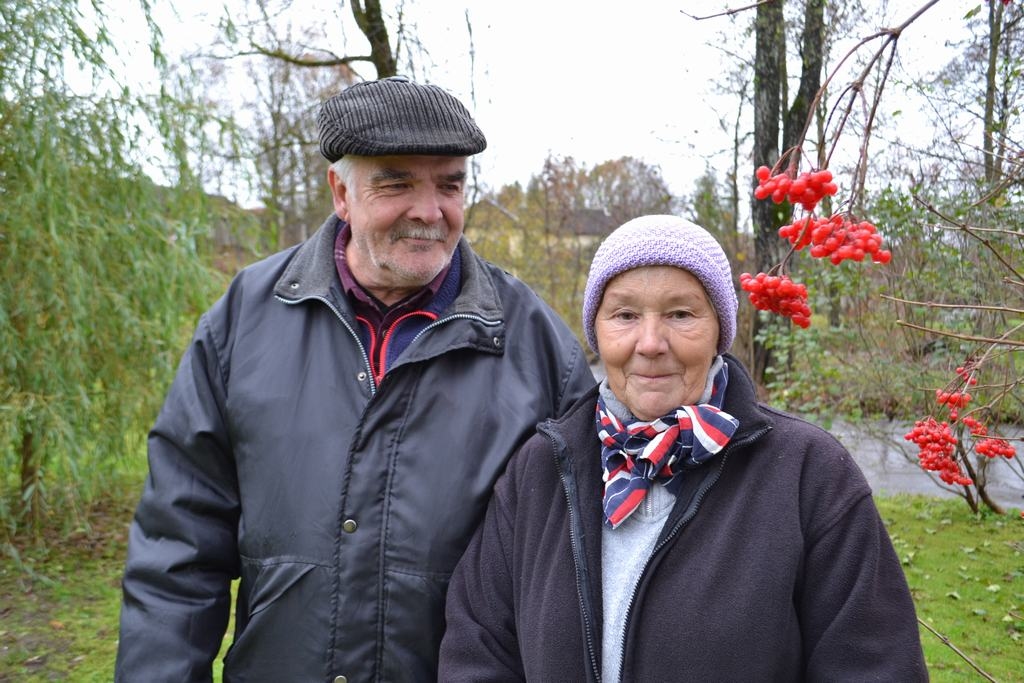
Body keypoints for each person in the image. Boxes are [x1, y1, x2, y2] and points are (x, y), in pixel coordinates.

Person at [114, 76, 595, 682]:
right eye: (397, 183)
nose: (429, 211)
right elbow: (177, 550)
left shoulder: (535, 346)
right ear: (341, 191)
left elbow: (574, 573)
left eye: (450, 185)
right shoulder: (245, 320)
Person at [439, 214, 928, 681]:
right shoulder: (540, 471)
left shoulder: (809, 474)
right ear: (597, 332)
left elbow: (873, 665)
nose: (651, 342)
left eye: (680, 314)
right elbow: (478, 649)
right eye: (625, 315)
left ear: (719, 330)